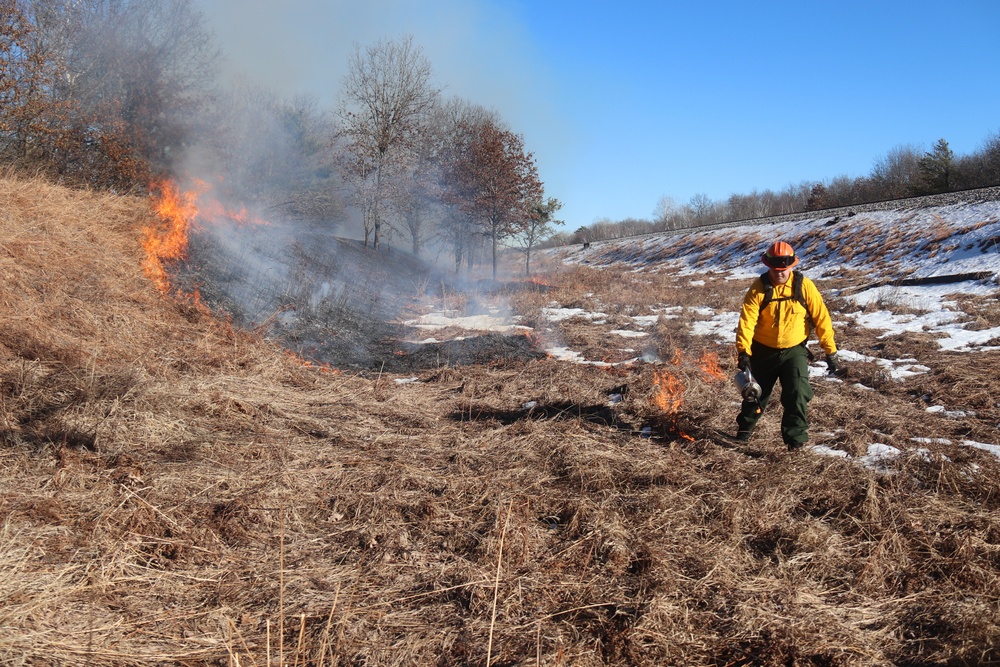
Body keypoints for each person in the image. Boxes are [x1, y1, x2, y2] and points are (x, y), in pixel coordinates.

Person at [734, 241, 843, 450]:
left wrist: (831, 352)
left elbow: (822, 319)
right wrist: (744, 353)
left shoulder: (804, 286)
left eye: (784, 270)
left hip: (794, 351)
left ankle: (796, 442)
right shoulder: (759, 287)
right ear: (768, 266)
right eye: (775, 270)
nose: (780, 274)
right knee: (754, 394)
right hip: (763, 350)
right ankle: (743, 433)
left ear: (792, 266)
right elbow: (746, 322)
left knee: (797, 393)